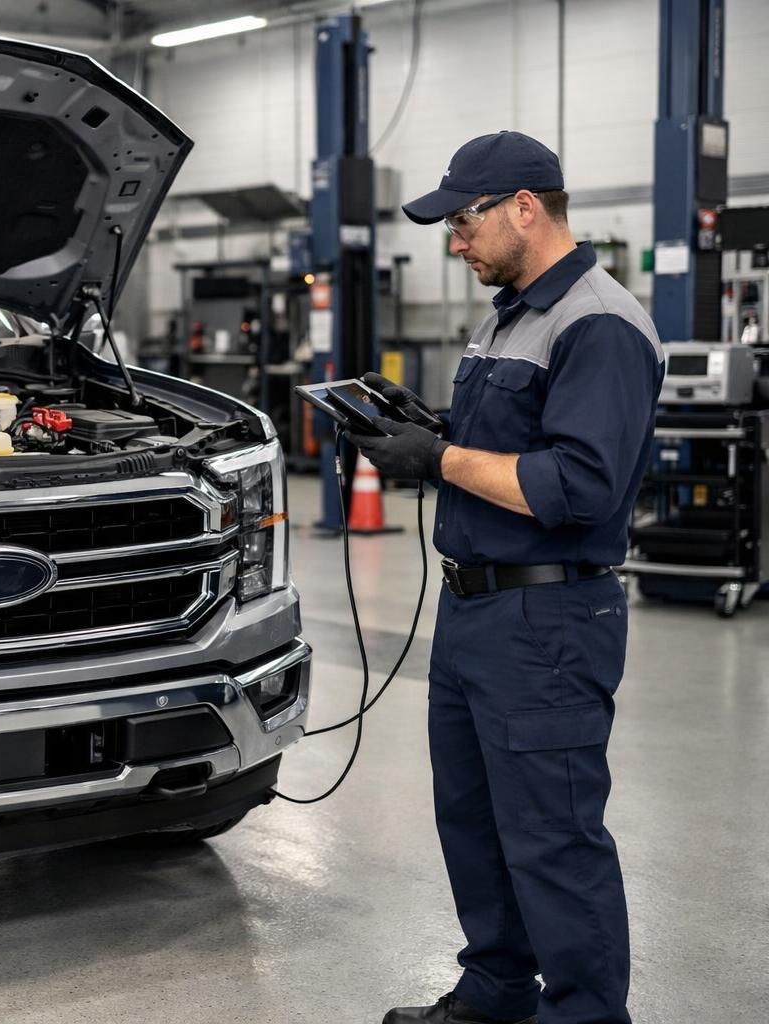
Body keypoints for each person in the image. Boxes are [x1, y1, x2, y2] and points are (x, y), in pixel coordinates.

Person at [346, 132, 663, 1024]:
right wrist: (423, 422)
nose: (455, 240)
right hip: (477, 609)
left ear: (526, 206)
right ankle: (496, 990)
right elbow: (512, 440)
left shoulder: (597, 322)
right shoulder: (509, 313)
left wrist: (436, 457)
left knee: (553, 838)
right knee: (478, 823)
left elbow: (577, 484)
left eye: (464, 220)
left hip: (550, 617)